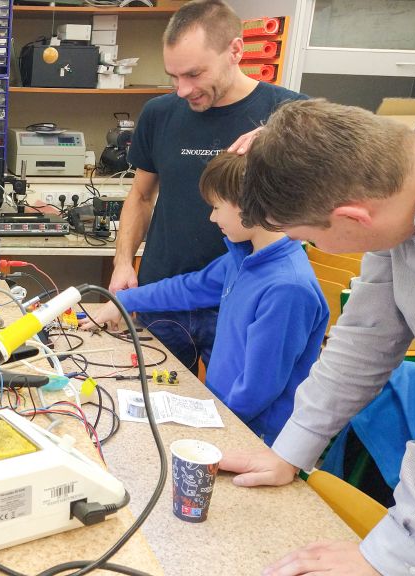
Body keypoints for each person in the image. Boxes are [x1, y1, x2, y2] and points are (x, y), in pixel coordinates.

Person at [220, 99, 415, 576]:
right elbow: (364, 340)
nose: (311, 249)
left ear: (353, 217)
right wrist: (288, 452)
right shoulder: (396, 192)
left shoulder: (385, 201)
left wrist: (391, 555)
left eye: (311, 238)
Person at [110, 0, 306, 372]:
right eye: (173, 76)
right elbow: (141, 195)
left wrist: (282, 135)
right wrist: (123, 263)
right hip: (165, 295)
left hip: (242, 299)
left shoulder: (289, 115)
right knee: (151, 396)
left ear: (236, 50)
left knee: (234, 404)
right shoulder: (159, 113)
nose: (183, 89)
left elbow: (344, 167)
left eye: (194, 74)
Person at [84, 152, 328, 445]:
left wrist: (214, 430)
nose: (212, 217)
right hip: (223, 416)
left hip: (251, 437)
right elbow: (189, 288)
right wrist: (124, 301)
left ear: (246, 204)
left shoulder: (288, 288)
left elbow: (259, 388)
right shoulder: (244, 258)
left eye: (216, 207)